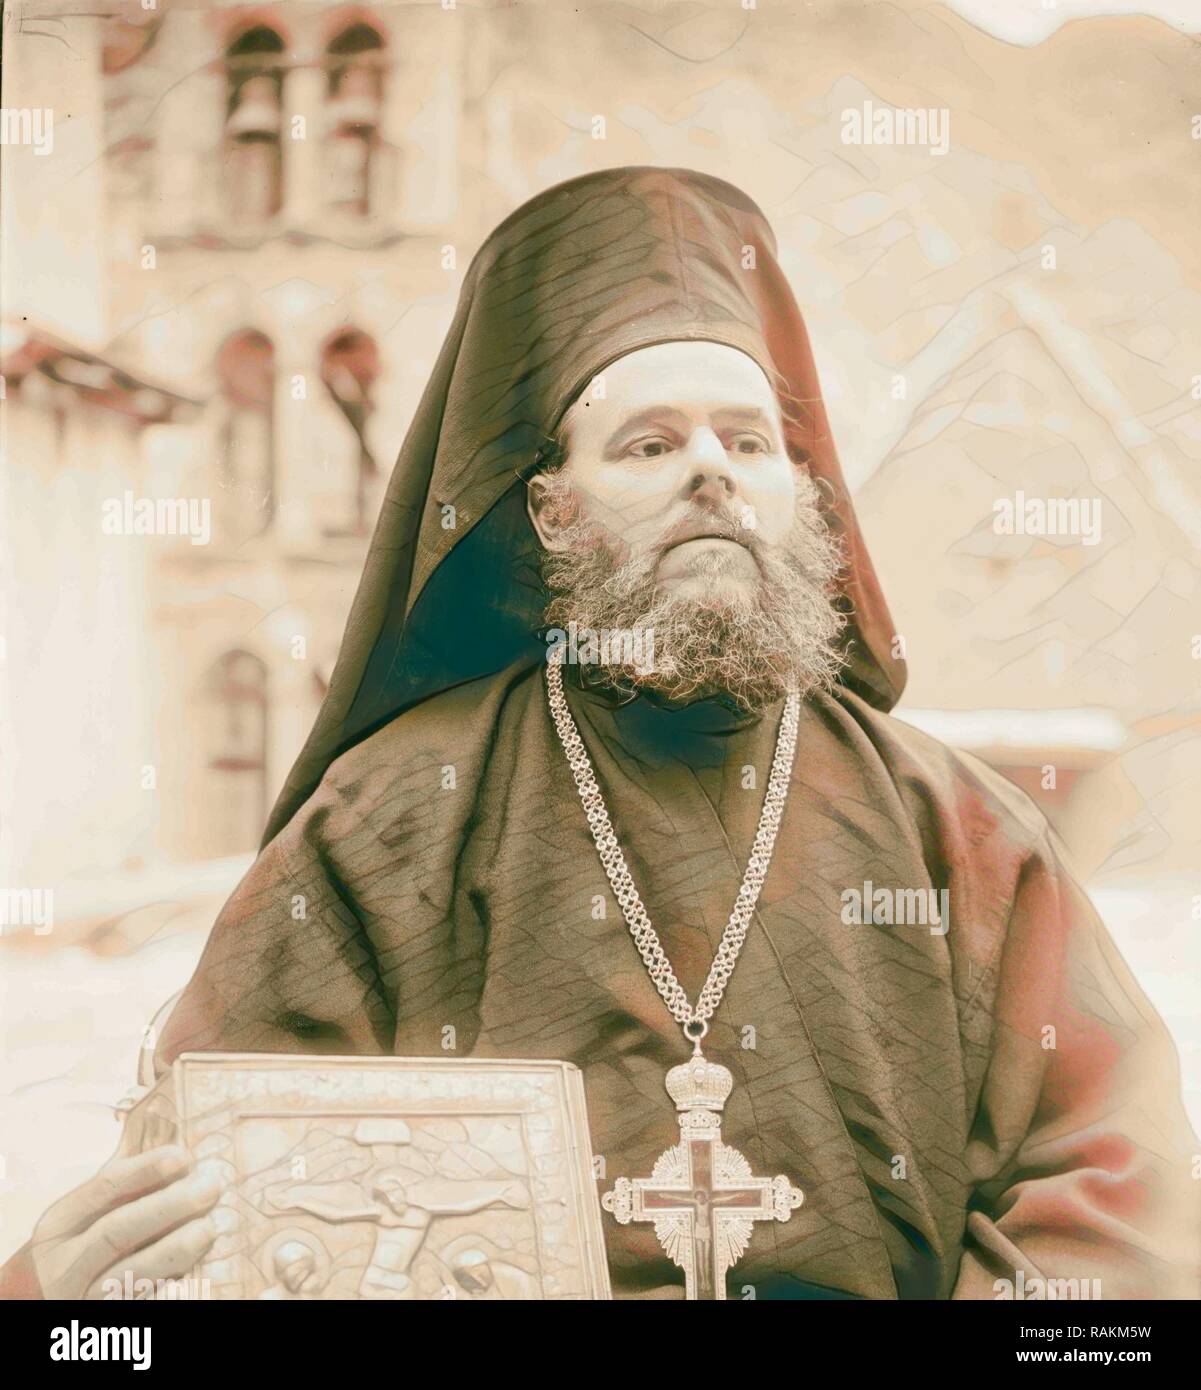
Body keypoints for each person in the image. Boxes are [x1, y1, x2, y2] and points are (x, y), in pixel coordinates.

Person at [5, 167, 1197, 1300]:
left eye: (746, 440)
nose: (710, 476)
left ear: (802, 496)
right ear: (550, 506)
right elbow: (229, 1192)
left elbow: (1107, 1187)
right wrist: (59, 1297)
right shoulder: (388, 821)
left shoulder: (962, 832)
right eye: (648, 443)